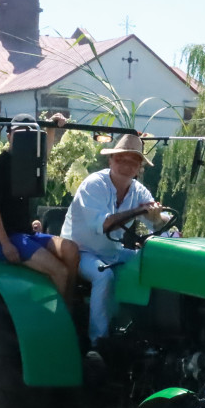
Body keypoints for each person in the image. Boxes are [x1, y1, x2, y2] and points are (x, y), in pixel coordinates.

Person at [62, 133, 166, 348]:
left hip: (112, 252)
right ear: (111, 160)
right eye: (121, 159)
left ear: (139, 168)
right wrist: (139, 211)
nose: (127, 165)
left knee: (150, 265)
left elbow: (157, 220)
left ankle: (145, 333)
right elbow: (106, 224)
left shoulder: (137, 190)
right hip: (80, 251)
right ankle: (98, 341)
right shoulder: (94, 185)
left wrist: (157, 217)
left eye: (133, 161)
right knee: (104, 275)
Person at [0, 113, 78, 303]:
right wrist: (5, 243)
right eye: (20, 133)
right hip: (5, 239)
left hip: (26, 235)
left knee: (71, 249)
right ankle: (60, 322)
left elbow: (44, 156)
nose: (25, 137)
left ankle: (72, 305)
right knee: (60, 271)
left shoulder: (29, 163)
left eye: (30, 133)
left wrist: (51, 129)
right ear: (9, 136)